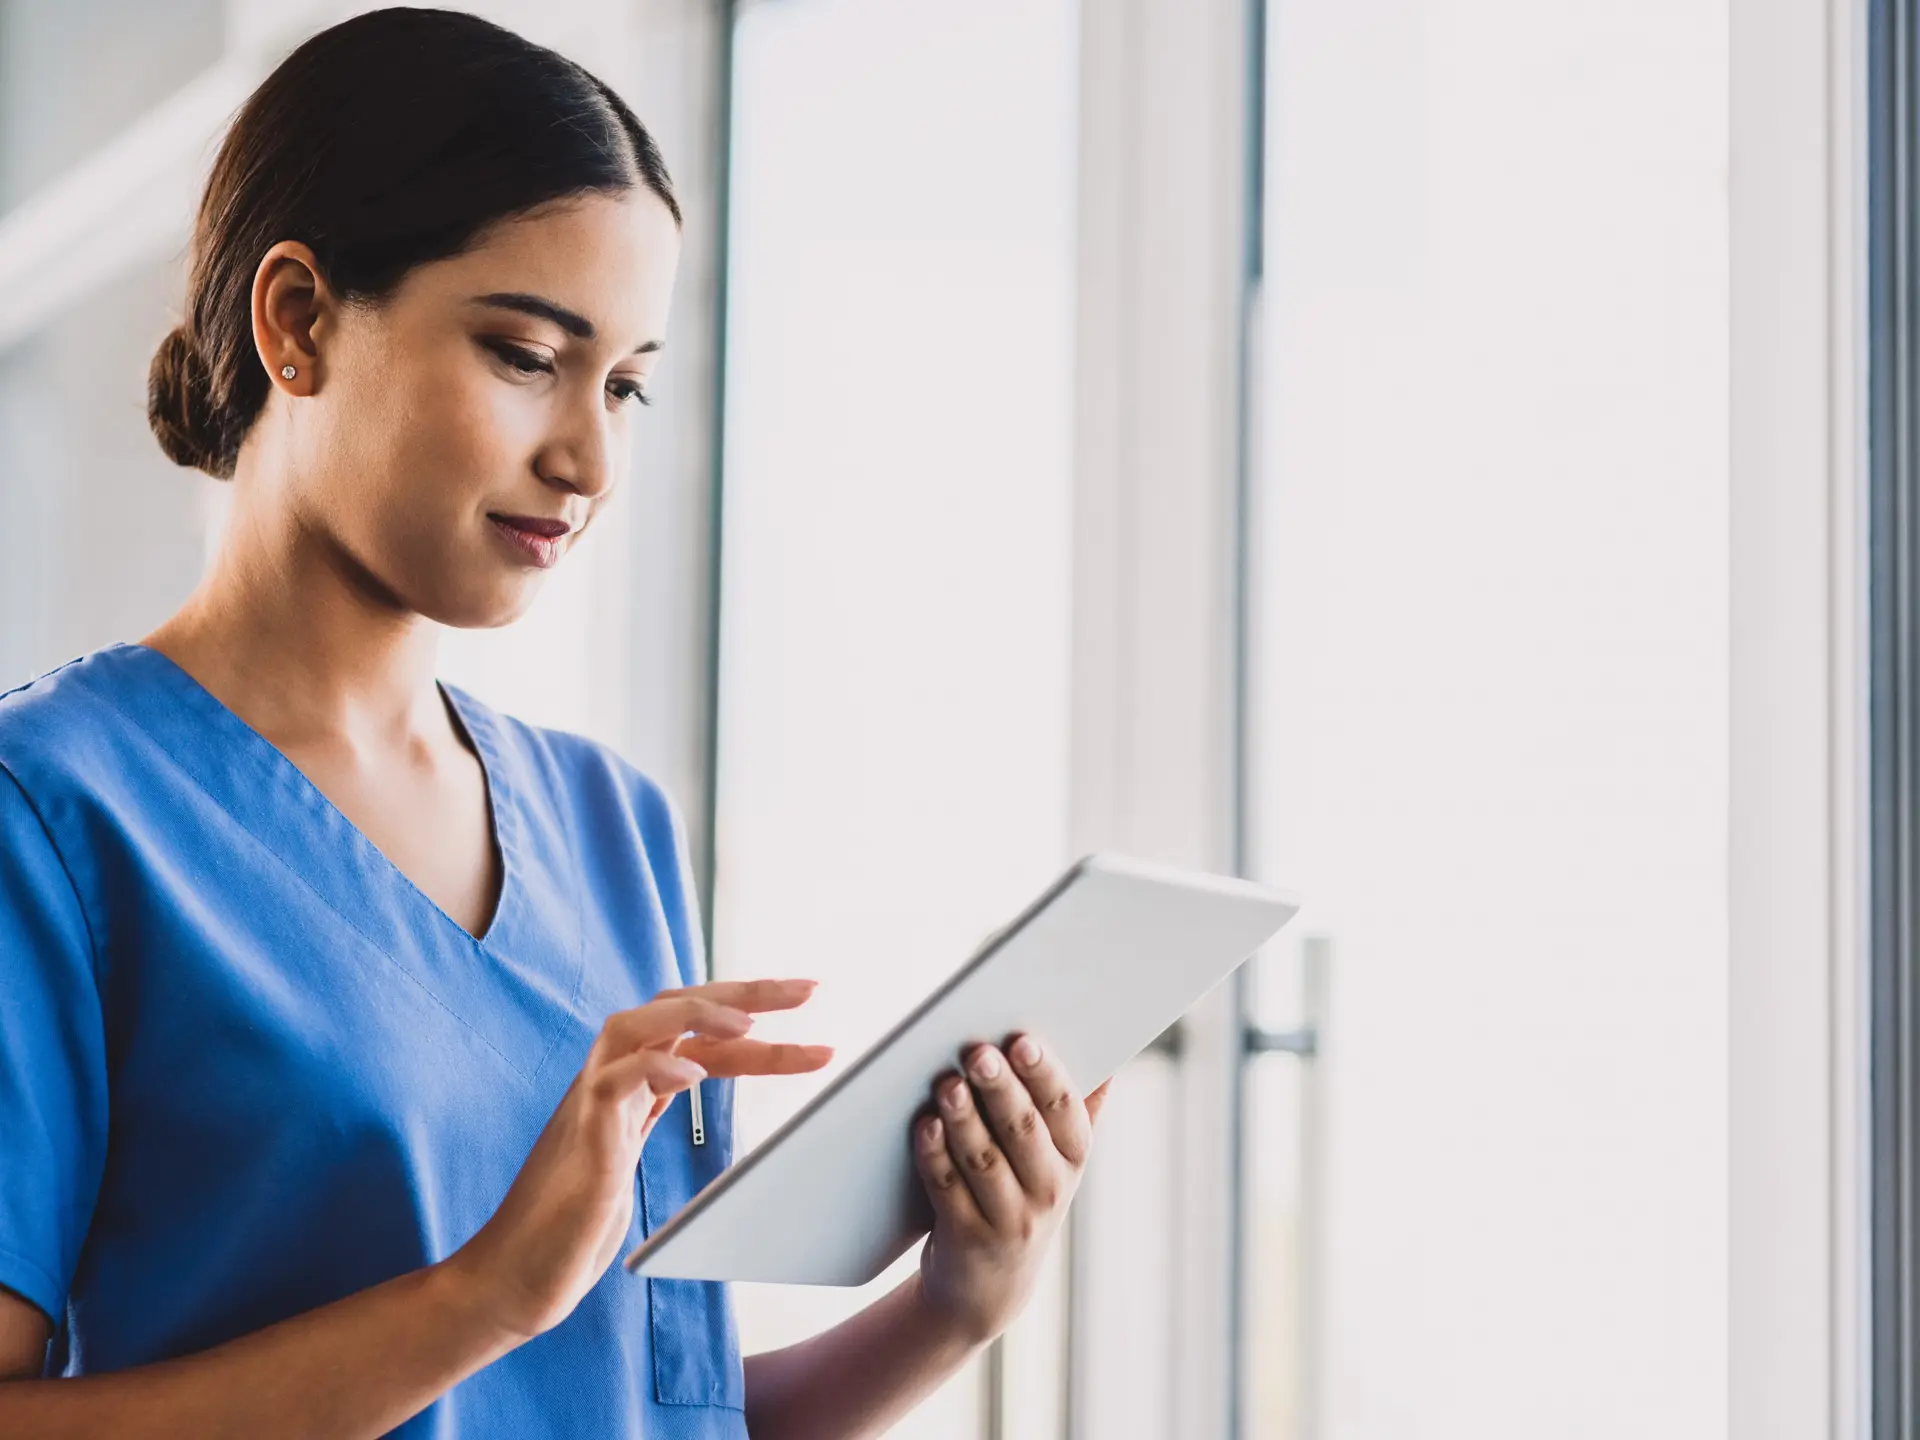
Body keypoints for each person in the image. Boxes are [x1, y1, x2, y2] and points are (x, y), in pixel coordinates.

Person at [0, 8, 1109, 1437]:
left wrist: (957, 1307)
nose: (588, 456)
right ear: (297, 321)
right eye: (527, 354)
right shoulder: (55, 820)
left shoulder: (612, 828)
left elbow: (655, 1407)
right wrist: (480, 1298)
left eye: (629, 383)